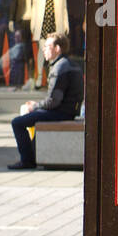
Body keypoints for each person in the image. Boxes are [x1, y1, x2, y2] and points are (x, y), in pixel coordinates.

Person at [9, 34, 81, 170]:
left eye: (47, 47)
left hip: (61, 113)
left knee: (17, 123)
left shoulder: (60, 67)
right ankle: (34, 156)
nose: (44, 50)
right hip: (69, 110)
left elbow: (53, 101)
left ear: (57, 48)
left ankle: (27, 161)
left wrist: (34, 106)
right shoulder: (70, 64)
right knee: (35, 118)